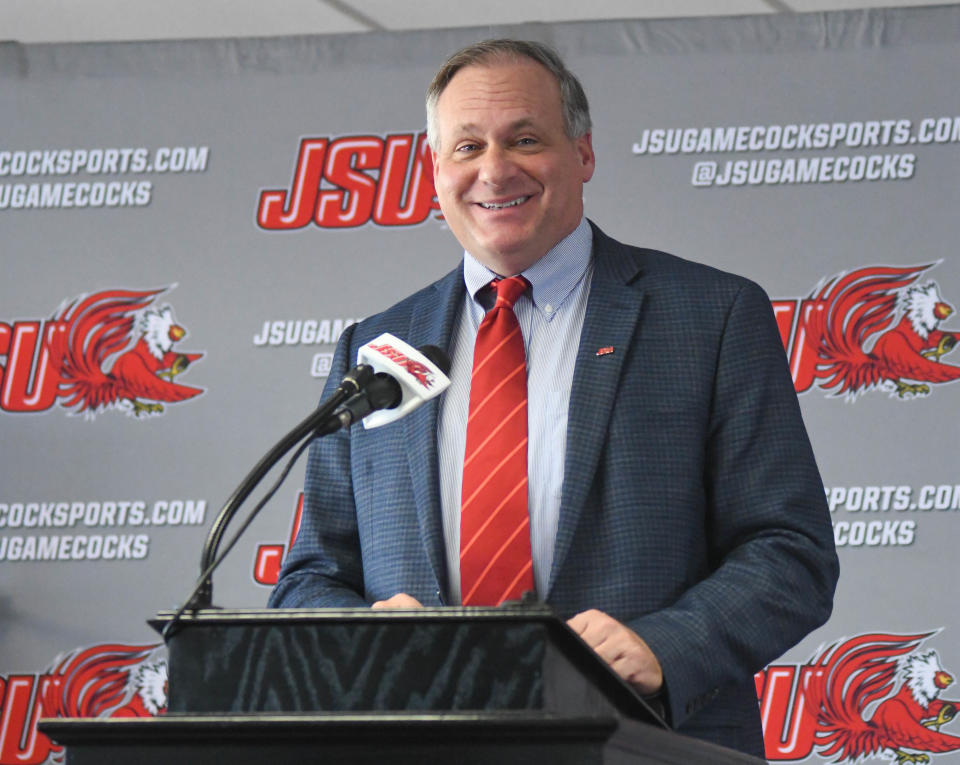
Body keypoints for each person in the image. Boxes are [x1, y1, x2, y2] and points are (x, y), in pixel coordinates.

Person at [269, 38, 839, 758]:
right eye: (467, 145)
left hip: (645, 740)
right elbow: (311, 578)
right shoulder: (380, 346)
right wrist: (367, 638)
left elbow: (792, 552)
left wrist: (662, 644)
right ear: (435, 171)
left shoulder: (710, 317)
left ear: (584, 154)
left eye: (525, 139)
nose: (494, 169)